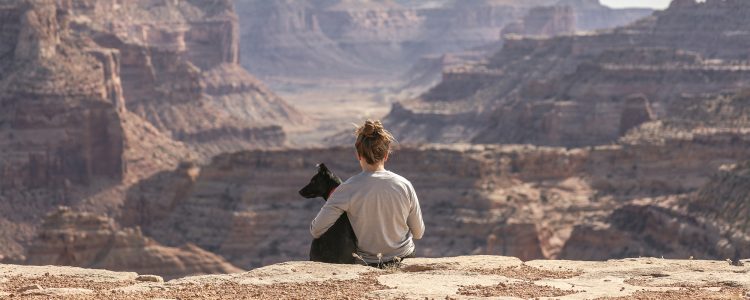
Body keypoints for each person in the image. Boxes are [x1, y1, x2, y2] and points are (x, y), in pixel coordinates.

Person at [310, 120, 425, 268]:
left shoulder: (347, 189)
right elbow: (418, 233)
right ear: (386, 155)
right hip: (404, 258)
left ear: (358, 155)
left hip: (368, 264)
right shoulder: (404, 185)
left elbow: (316, 229)